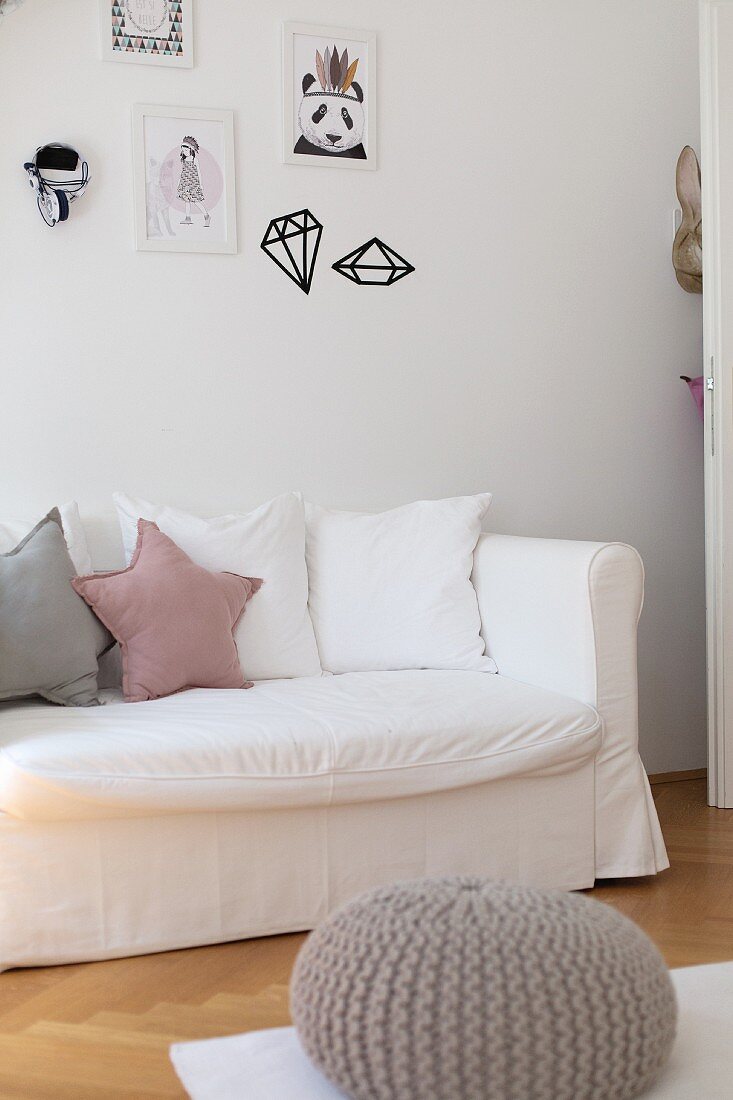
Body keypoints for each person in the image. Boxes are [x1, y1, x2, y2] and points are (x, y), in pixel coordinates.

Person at [177, 136, 210, 227]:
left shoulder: (194, 160)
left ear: (191, 150)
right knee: (186, 201)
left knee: (196, 201)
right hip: (185, 183)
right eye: (183, 151)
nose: (184, 152)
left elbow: (198, 172)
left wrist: (201, 184)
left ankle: (206, 216)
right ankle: (188, 218)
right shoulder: (184, 160)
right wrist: (179, 182)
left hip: (193, 184)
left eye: (186, 151)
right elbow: (182, 172)